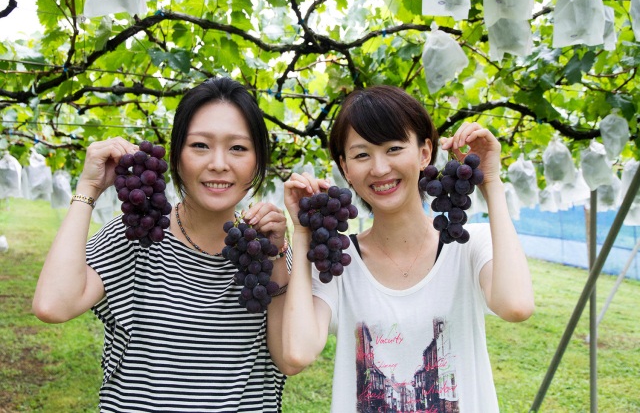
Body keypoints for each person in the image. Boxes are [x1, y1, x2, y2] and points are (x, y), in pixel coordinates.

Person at [33, 77, 293, 412]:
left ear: (258, 162)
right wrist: (88, 188)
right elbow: (52, 305)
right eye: (200, 145)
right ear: (176, 157)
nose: (218, 163)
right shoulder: (137, 237)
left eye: (238, 148)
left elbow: (289, 359)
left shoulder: (266, 252)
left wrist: (277, 257)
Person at [282, 85, 535, 412]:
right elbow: (297, 353)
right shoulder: (338, 263)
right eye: (361, 154)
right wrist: (302, 231)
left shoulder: (469, 245)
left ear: (425, 152)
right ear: (345, 168)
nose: (379, 168)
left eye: (394, 148)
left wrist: (492, 182)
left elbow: (516, 306)